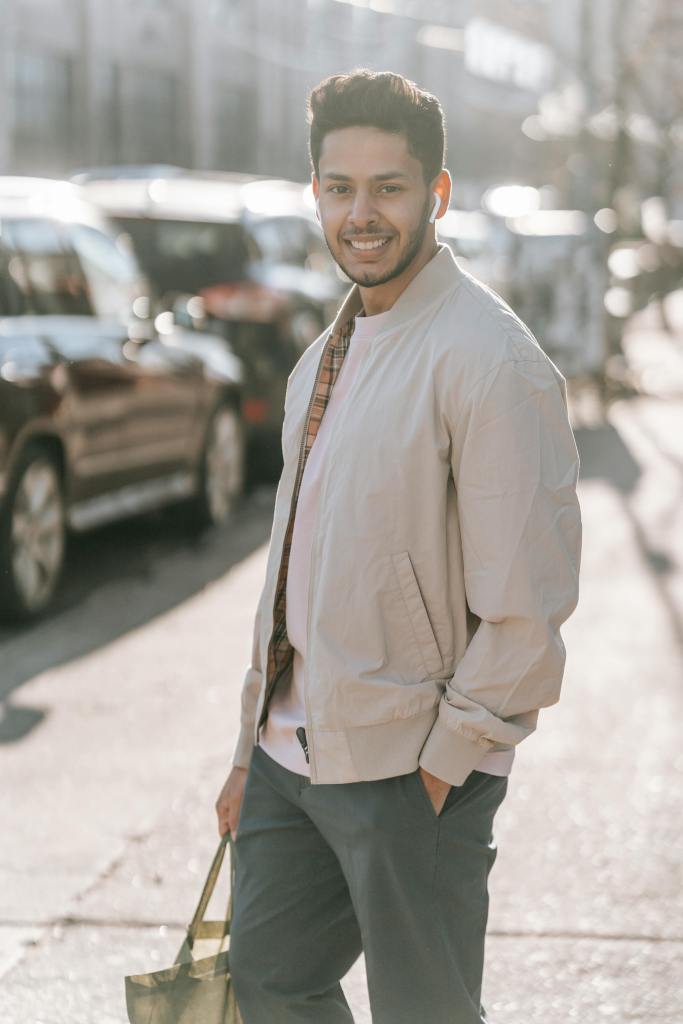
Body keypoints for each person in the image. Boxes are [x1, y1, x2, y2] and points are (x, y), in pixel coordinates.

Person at [215, 69, 582, 1023]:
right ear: (316, 195)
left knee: (424, 1012)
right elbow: (293, 567)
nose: (361, 214)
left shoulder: (489, 361)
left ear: (437, 194)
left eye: (388, 188)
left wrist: (439, 768)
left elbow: (527, 612)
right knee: (270, 982)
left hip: (411, 769)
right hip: (291, 760)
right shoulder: (328, 351)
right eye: (340, 188)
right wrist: (249, 745)